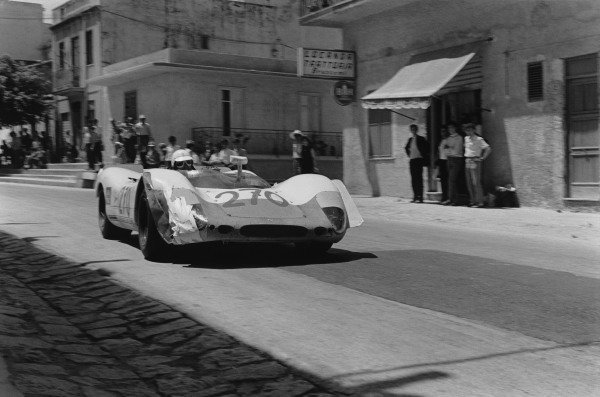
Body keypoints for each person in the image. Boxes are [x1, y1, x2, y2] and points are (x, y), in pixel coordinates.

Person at [463, 122, 491, 207]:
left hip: (475, 160)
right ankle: (472, 201)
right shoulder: (466, 138)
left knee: (476, 182)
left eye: (470, 130)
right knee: (469, 182)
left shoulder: (479, 139)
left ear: (474, 130)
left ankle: (480, 202)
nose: (469, 132)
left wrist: (482, 158)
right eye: (467, 130)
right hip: (468, 160)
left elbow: (488, 148)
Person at [404, 124, 429, 203]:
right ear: (411, 131)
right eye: (412, 129)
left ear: (417, 130)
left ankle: (420, 197)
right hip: (412, 161)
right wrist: (409, 155)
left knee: (419, 179)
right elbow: (406, 148)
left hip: (419, 160)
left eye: (414, 129)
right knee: (413, 180)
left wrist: (423, 155)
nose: (413, 131)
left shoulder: (421, 138)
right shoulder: (410, 139)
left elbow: (426, 147)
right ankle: (415, 197)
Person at [445, 122, 465, 206]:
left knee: (452, 179)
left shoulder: (459, 138)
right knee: (451, 180)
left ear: (455, 128)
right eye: (449, 128)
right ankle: (453, 199)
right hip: (449, 159)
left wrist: (449, 149)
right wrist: (450, 149)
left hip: (457, 159)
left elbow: (457, 150)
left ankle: (452, 199)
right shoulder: (448, 138)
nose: (450, 130)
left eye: (452, 128)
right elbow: (445, 150)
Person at [437, 125, 450, 204]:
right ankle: (444, 196)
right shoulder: (441, 140)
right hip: (441, 161)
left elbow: (449, 150)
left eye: (444, 131)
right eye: (442, 131)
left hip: (447, 161)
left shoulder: (449, 140)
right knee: (442, 180)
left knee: (448, 180)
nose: (443, 133)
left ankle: (448, 197)